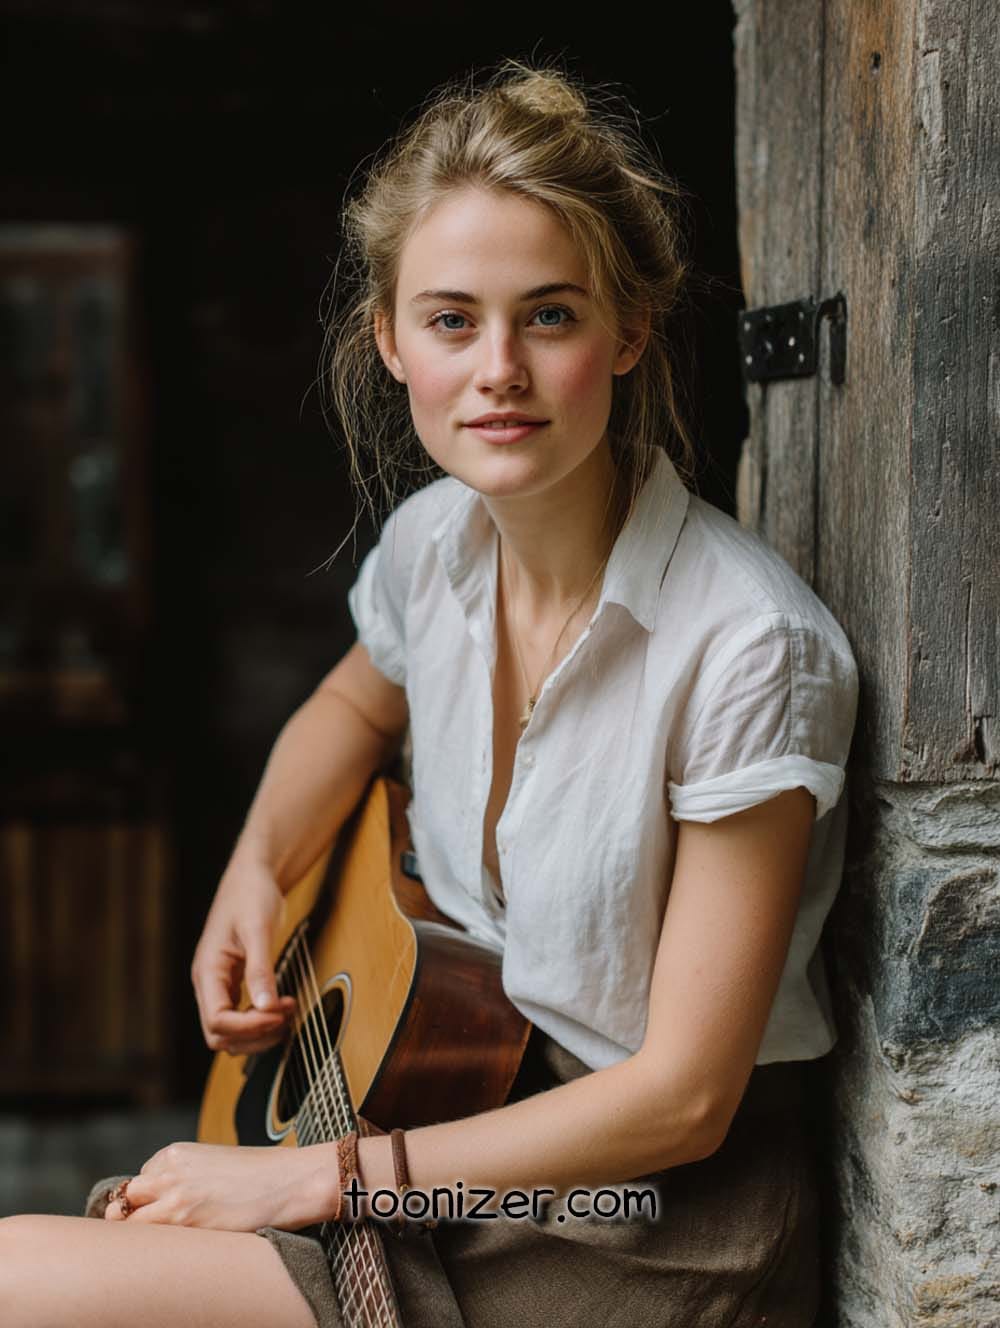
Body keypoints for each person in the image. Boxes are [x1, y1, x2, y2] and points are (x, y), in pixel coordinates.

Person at [0, 57, 859, 1328]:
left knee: (23, 1276)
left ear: (628, 331)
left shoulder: (746, 648)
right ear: (390, 342)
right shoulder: (431, 545)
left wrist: (318, 1175)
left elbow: (683, 1097)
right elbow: (354, 707)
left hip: (646, 1210)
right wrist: (258, 867)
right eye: (453, 320)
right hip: (452, 1096)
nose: (498, 367)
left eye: (549, 316)